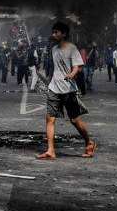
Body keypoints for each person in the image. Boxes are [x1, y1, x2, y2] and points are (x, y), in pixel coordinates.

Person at [37, 22, 97, 160]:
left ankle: (89, 142)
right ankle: (50, 150)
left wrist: (72, 74)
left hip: (68, 89)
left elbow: (77, 67)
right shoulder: (53, 49)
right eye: (53, 32)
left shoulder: (72, 48)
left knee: (75, 120)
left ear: (64, 34)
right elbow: (55, 68)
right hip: (54, 88)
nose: (53, 34)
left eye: (56, 32)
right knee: (50, 118)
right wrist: (47, 80)